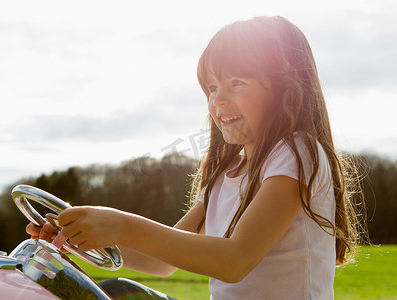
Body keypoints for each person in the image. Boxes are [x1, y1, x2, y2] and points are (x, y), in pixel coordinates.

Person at [27, 16, 365, 299]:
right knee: (116, 292)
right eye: (212, 87)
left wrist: (123, 225)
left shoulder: (296, 153)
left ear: (285, 89)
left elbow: (236, 259)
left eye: (237, 82)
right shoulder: (226, 172)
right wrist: (79, 239)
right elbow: (162, 261)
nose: (218, 100)